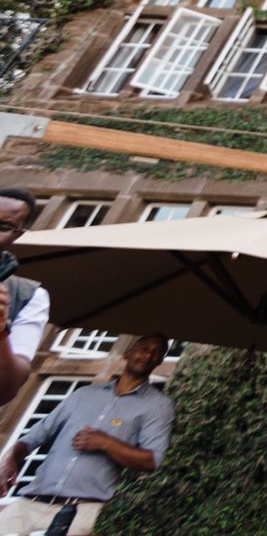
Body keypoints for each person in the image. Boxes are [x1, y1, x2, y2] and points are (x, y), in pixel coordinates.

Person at [0, 333, 174, 536]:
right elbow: (35, 435)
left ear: (160, 361)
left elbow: (152, 459)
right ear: (128, 353)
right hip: (30, 501)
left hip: (82, 511)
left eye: (156, 352)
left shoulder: (158, 405)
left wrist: (106, 443)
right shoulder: (84, 394)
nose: (148, 355)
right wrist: (11, 459)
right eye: (144, 348)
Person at [0, 187, 51, 404]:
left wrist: (1, 331)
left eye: (3, 227)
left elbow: (7, 390)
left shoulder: (29, 296)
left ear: (17, 235)